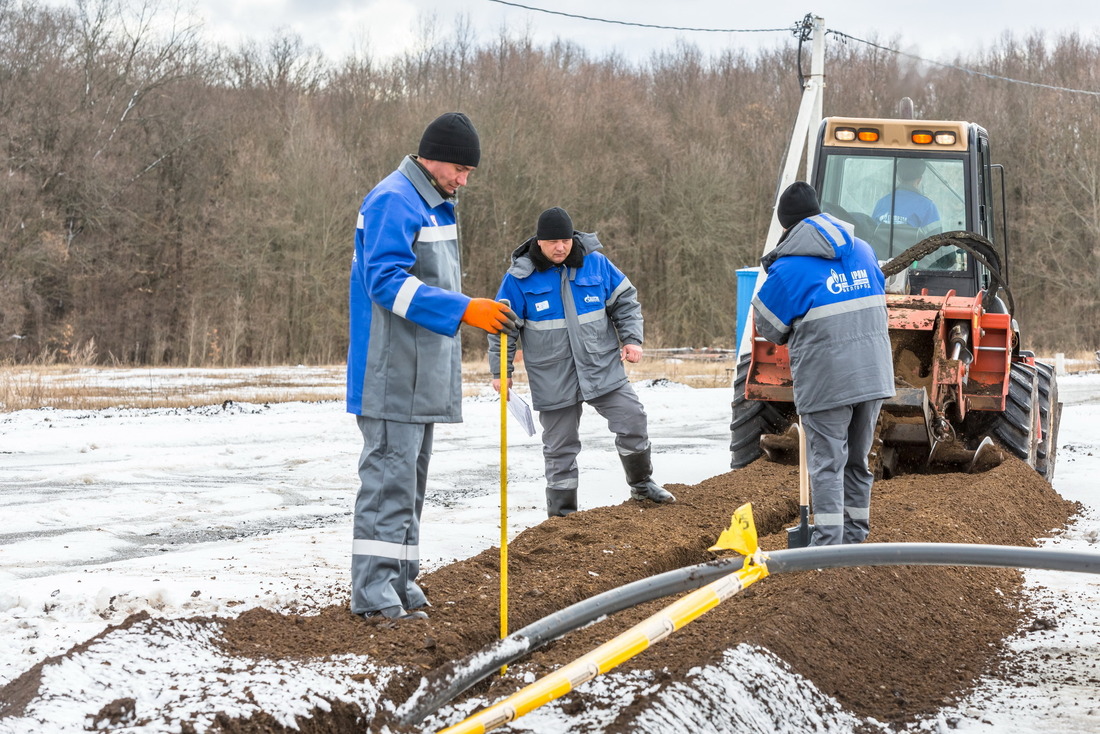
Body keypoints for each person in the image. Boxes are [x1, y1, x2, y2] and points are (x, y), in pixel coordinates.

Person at [346, 112, 517, 621]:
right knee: (386, 484)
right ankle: (374, 597)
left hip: (419, 375)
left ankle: (399, 582)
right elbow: (384, 281)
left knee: (409, 487)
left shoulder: (435, 204)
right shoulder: (394, 200)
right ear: (432, 156)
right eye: (460, 169)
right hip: (390, 372)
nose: (464, 180)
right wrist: (464, 309)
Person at [487, 206, 675, 517]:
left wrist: (631, 339)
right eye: (553, 242)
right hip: (553, 376)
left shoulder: (596, 264)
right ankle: (562, 517)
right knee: (559, 448)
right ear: (539, 242)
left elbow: (626, 302)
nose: (560, 247)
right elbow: (502, 328)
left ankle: (642, 485)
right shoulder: (518, 279)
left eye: (566, 240)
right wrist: (500, 370)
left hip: (601, 367)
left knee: (632, 419)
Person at [751, 182, 895, 546]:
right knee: (856, 462)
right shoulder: (863, 250)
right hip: (874, 374)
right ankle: (855, 537)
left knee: (827, 464)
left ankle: (828, 545)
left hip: (827, 381)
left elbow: (769, 328)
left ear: (787, 227)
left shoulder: (787, 269)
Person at [871, 158, 941, 232]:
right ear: (919, 180)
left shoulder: (882, 202)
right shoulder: (927, 206)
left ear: (899, 178)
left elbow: (871, 235)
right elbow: (936, 240)